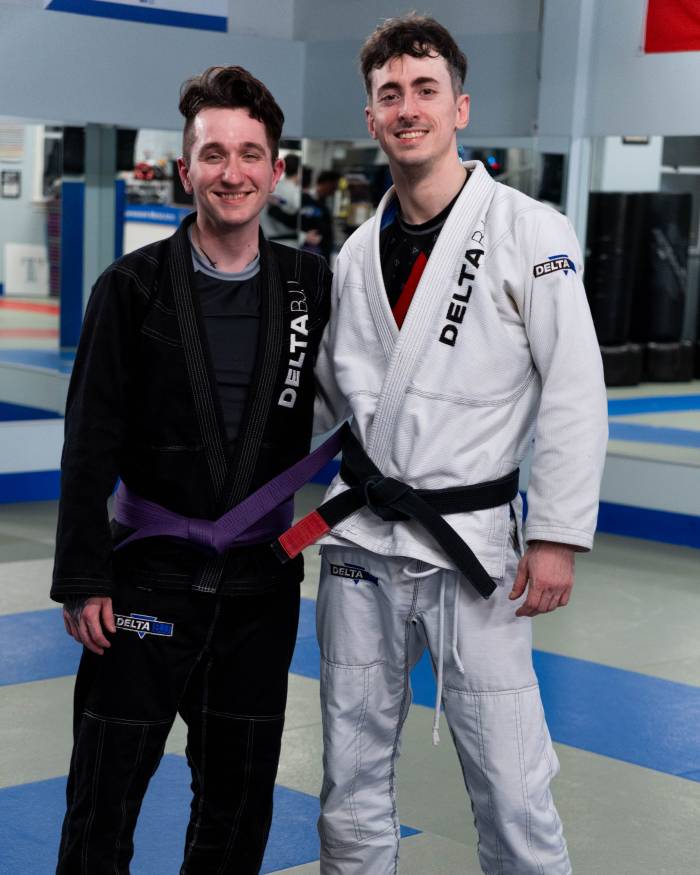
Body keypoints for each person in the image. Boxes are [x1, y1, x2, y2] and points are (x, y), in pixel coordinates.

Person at [305, 14, 608, 875]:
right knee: (349, 779)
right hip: (361, 543)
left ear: (459, 108)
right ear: (371, 117)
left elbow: (575, 386)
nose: (408, 107)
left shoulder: (530, 230)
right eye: (390, 94)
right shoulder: (353, 255)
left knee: (513, 784)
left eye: (425, 90)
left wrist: (555, 532)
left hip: (474, 548)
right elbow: (330, 400)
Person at [52, 66, 331, 874]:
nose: (231, 172)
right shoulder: (130, 288)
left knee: (238, 806)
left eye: (249, 154)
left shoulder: (311, 284)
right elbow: (89, 442)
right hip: (146, 579)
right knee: (103, 796)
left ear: (276, 171)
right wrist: (82, 578)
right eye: (213, 154)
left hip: (260, 584)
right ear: (186, 170)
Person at [261, 151, 302, 246]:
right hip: (288, 243)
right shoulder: (296, 193)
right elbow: (296, 220)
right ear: (299, 170)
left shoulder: (271, 187)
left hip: (266, 241)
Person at [300, 169, 341, 263]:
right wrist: (304, 236)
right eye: (334, 187)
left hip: (320, 256)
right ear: (326, 183)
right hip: (304, 253)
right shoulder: (304, 199)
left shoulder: (324, 205)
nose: (334, 191)